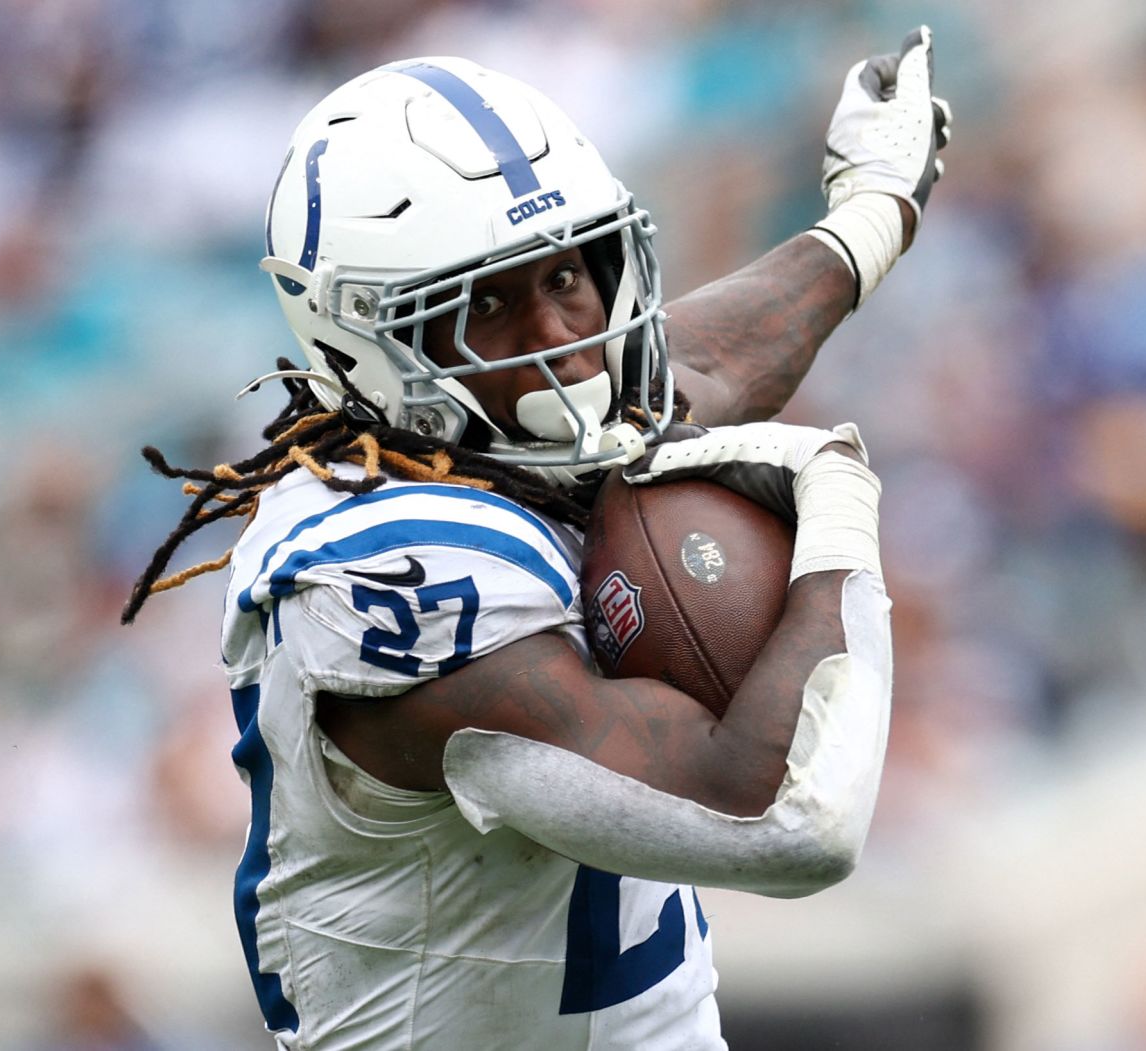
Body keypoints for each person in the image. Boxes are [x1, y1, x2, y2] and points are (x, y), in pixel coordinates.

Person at [124, 29, 949, 1050]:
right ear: (369, 340)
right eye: (488, 305)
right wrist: (834, 508)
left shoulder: (508, 428)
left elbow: (695, 359)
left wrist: (871, 210)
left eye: (569, 274)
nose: (562, 336)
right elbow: (785, 817)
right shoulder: (389, 570)